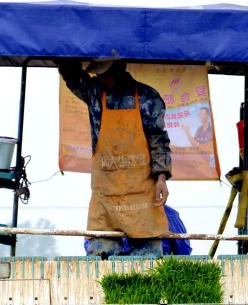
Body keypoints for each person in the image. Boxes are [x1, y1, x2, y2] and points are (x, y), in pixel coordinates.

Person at [60, 60, 171, 258]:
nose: (101, 78)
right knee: (99, 262)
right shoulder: (95, 92)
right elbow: (70, 73)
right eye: (99, 75)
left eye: (106, 74)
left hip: (141, 197)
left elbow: (158, 139)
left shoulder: (148, 98)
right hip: (106, 198)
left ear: (120, 69)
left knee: (148, 263)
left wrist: (161, 178)